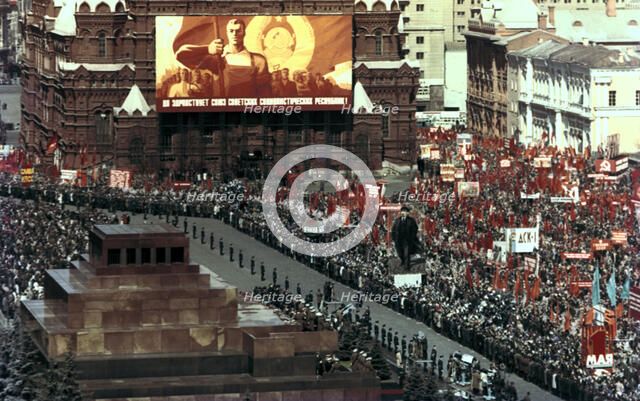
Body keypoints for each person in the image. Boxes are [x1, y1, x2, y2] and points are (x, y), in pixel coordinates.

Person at [175, 18, 271, 98]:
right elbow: (180, 55)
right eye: (231, 31)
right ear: (227, 33)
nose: (235, 34)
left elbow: (265, 95)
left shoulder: (259, 61)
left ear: (244, 32)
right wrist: (207, 49)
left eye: (238, 30)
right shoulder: (217, 59)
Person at [391, 205, 419, 270]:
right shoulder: (397, 220)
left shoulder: (411, 220)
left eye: (405, 212)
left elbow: (415, 228)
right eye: (402, 211)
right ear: (400, 213)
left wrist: (412, 236)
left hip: (407, 239)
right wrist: (394, 238)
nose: (404, 213)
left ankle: (407, 266)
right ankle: (403, 260)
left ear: (407, 213)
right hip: (398, 240)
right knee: (400, 252)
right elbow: (393, 229)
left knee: (407, 253)